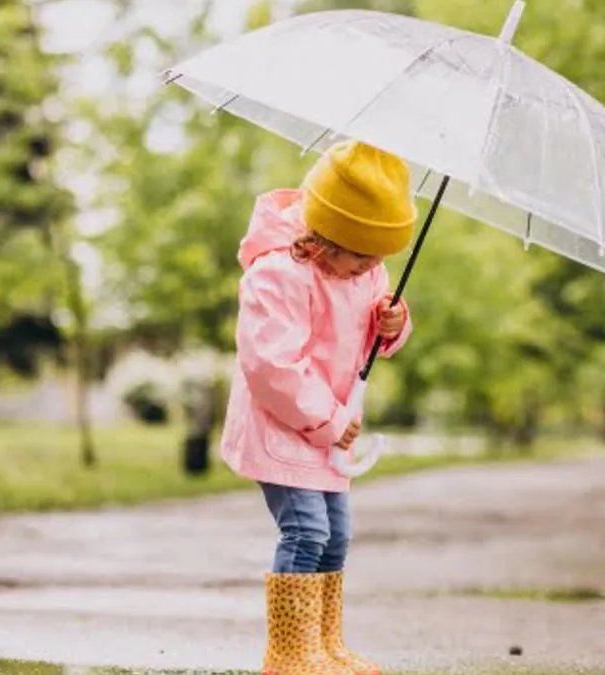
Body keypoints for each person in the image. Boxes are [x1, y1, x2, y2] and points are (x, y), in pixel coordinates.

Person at [220, 139, 416, 675]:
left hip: (330, 429)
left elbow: (368, 337)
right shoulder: (278, 274)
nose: (372, 269)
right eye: (361, 256)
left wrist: (392, 325)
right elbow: (272, 366)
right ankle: (289, 654)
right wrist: (330, 422)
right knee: (306, 531)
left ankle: (323, 644)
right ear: (324, 238)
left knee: (337, 537)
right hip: (284, 425)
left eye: (380, 260)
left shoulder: (363, 270)